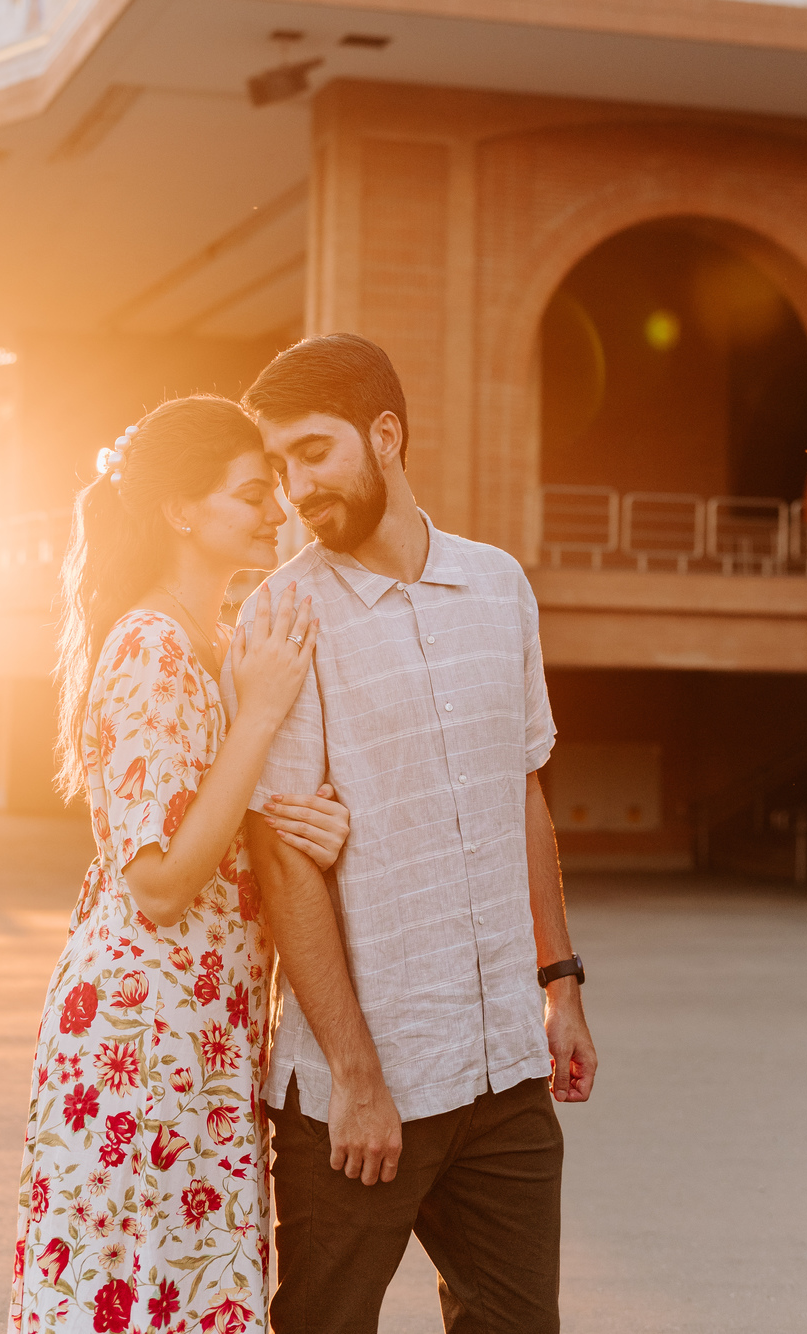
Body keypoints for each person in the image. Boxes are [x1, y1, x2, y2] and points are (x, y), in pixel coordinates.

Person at [228, 333, 598, 1334]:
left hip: (503, 1075)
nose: (294, 485)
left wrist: (558, 982)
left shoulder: (498, 589)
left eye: (313, 450)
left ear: (384, 435)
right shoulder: (281, 615)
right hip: (362, 1094)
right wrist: (354, 1078)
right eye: (277, 465)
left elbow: (520, 789)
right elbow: (285, 858)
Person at [9, 395, 351, 1334]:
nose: (278, 512)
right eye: (252, 495)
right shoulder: (151, 645)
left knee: (181, 1290)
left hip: (200, 1031)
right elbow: (158, 882)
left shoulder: (206, 644)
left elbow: (220, 816)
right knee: (145, 1291)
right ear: (181, 512)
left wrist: (304, 815)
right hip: (143, 1039)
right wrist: (259, 718)